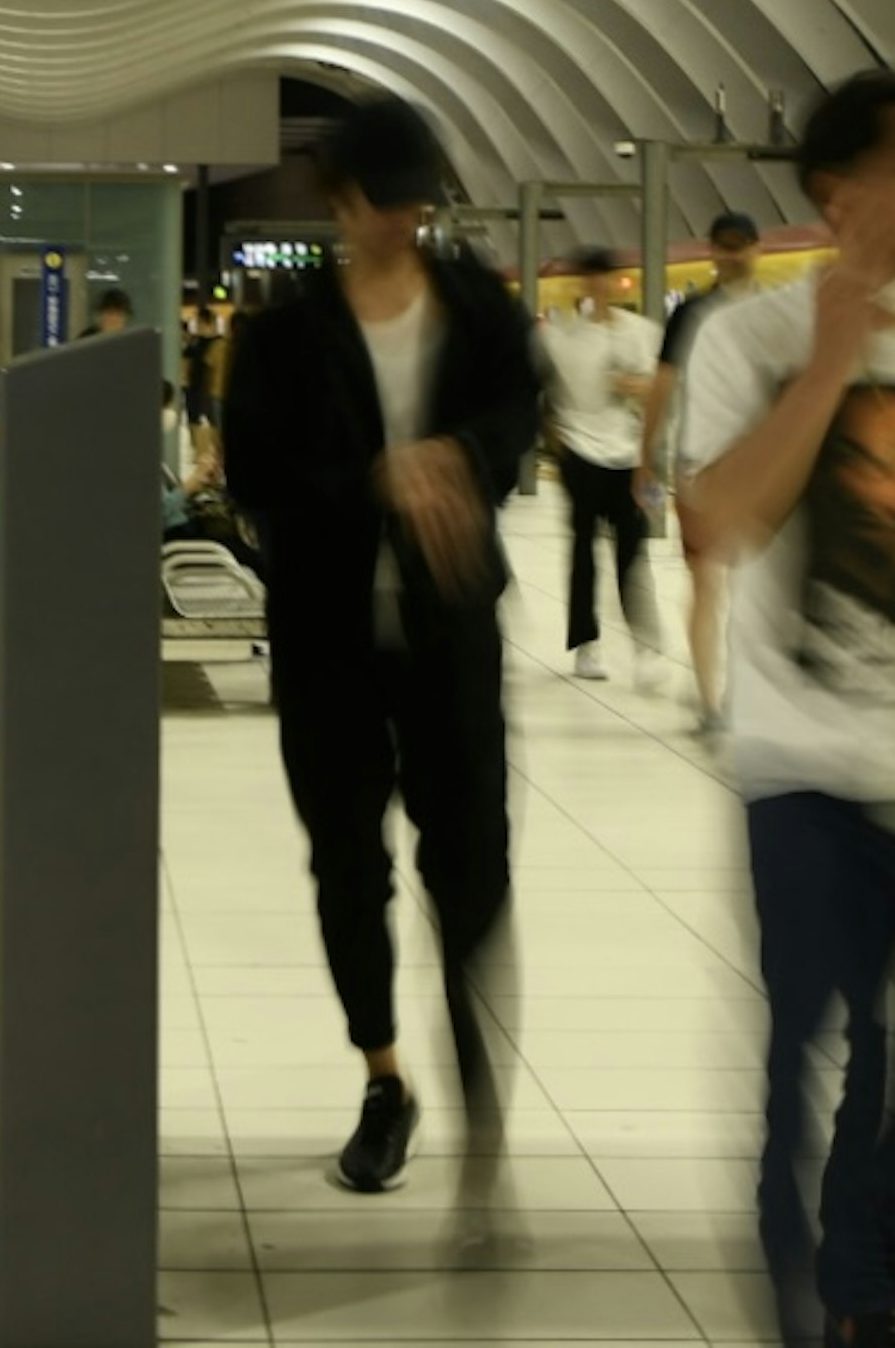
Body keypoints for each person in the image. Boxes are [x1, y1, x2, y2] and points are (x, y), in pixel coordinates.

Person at [676, 74, 895, 1348]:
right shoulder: (745, 341)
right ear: (843, 193)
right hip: (805, 772)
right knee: (813, 1059)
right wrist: (830, 365)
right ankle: (832, 1308)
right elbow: (717, 521)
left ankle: (876, 1281)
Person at [219, 96, 540, 1211]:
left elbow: (516, 409)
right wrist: (376, 483)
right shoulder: (285, 330)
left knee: (476, 865)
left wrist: (459, 457)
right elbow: (253, 474)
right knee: (349, 867)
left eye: (416, 201)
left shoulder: (475, 308)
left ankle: (477, 1071)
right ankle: (384, 1077)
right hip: (328, 644)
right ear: (339, 202)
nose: (403, 220)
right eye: (381, 201)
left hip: (451, 634)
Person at [646, 210, 768, 732]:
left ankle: (744, 695)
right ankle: (710, 700)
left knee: (756, 591)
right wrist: (645, 456)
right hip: (698, 467)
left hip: (761, 467)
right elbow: (664, 385)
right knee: (708, 584)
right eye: (723, 246)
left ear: (756, 248)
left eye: (739, 245)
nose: (731, 254)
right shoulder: (689, 315)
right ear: (711, 250)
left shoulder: (775, 312)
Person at [536, 250, 666, 683]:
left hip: (626, 454)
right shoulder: (564, 337)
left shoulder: (641, 333)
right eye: (589, 279)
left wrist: (633, 385)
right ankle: (585, 644)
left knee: (633, 551)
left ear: (615, 282)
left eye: (604, 278)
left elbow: (659, 389)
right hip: (581, 451)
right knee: (583, 549)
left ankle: (644, 643)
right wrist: (554, 436)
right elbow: (542, 388)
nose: (597, 287)